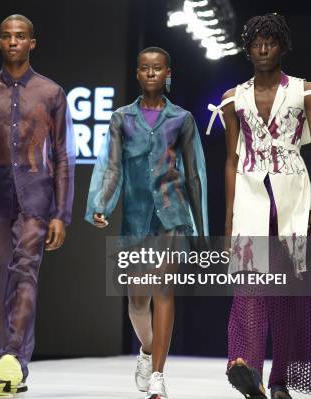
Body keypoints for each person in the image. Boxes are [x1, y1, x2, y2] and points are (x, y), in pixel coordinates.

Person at [206, 13, 311, 399]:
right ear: (247, 49)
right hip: (251, 197)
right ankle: (247, 367)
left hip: (294, 198)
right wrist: (229, 219)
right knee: (249, 286)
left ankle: (281, 380)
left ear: (282, 46)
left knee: (287, 293)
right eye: (256, 42)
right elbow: (232, 160)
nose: (263, 48)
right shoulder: (233, 98)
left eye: (270, 41)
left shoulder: (306, 91)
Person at [0, 14, 75, 395]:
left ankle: (14, 361)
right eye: (7, 36)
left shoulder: (52, 93)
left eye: (20, 36)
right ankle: (3, 360)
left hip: (36, 194)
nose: (13, 42)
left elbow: (64, 156)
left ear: (32, 42)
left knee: (26, 272)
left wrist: (61, 213)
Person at [85, 47, 208, 399]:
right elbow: (111, 167)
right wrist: (101, 203)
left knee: (163, 291)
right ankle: (148, 349)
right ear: (137, 73)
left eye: (157, 68)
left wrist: (198, 230)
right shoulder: (121, 119)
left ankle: (158, 375)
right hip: (136, 217)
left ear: (168, 72)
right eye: (144, 68)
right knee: (137, 303)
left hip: (171, 215)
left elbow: (194, 175)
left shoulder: (181, 119)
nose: (151, 73)